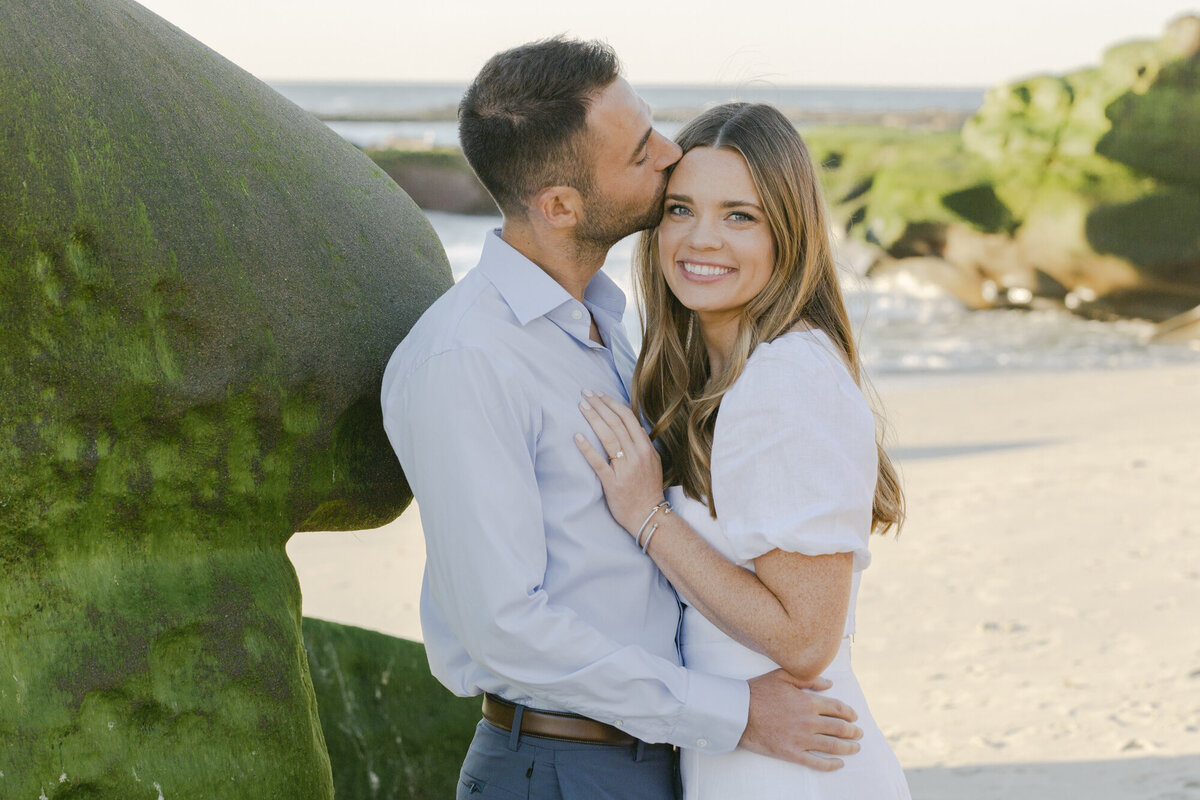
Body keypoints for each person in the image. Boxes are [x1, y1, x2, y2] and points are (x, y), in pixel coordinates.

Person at [382, 40, 862, 800]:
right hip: (562, 767)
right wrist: (733, 714)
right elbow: (504, 627)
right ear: (562, 206)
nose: (671, 153)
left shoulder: (609, 329)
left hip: (655, 758)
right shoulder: (467, 358)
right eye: (642, 153)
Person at [573, 102, 912, 798]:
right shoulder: (729, 376)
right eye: (679, 210)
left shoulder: (784, 380)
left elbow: (805, 639)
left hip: (791, 769)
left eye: (740, 216)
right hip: (752, 756)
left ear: (788, 234)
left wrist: (648, 519)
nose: (701, 240)